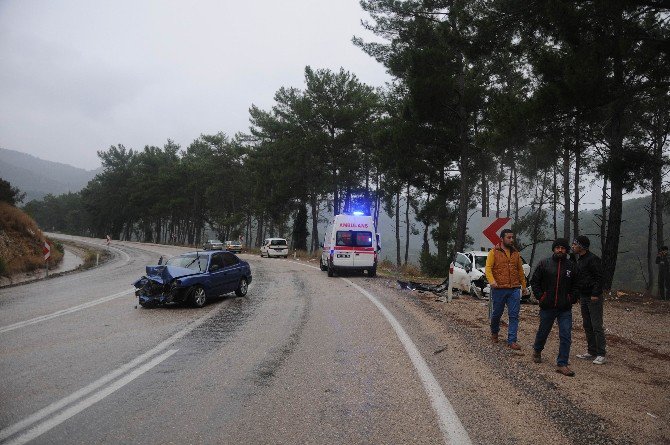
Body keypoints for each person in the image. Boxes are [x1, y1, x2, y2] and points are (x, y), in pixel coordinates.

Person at [530, 238, 578, 376]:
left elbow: (576, 285)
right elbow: (535, 281)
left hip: (565, 308)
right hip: (547, 306)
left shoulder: (571, 266)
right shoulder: (544, 264)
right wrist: (541, 297)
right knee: (543, 331)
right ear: (553, 249)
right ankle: (537, 350)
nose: (560, 250)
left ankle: (562, 363)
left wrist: (571, 298)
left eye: (563, 248)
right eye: (557, 247)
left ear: (566, 250)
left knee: (566, 335)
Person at [485, 228, 528, 350]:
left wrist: (523, 286)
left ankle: (512, 340)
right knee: (497, 314)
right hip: (499, 289)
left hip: (514, 288)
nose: (511, 239)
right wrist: (492, 282)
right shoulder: (494, 252)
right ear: (502, 238)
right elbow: (488, 268)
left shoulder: (516, 253)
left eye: (512, 237)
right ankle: (494, 332)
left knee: (514, 315)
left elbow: (520, 270)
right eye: (508, 237)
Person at [571, 235, 607, 365]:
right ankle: (591, 351)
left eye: (575, 244)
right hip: (584, 296)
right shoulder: (580, 260)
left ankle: (601, 354)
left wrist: (595, 293)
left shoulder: (593, 259)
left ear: (581, 246)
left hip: (593, 297)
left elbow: (599, 277)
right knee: (587, 324)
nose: (573, 246)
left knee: (596, 325)